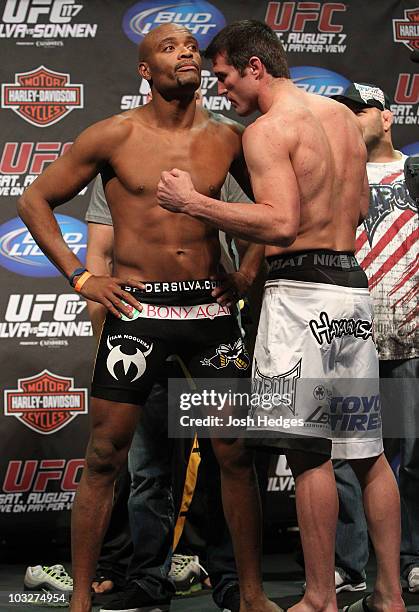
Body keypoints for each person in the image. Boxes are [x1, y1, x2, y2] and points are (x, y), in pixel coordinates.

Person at [156, 19, 405, 612]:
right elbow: (362, 204)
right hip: (351, 291)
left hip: (301, 296)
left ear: (254, 67)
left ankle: (319, 599)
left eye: (224, 77)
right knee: (367, 451)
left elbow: (281, 223)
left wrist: (194, 203)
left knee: (307, 452)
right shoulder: (343, 118)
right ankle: (390, 598)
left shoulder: (267, 130)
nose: (221, 91)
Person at [17, 23, 266, 612]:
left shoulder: (231, 137)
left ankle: (252, 594)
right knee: (106, 455)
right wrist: (81, 277)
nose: (184, 53)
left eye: (189, 46)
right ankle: (82, 598)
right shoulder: (114, 135)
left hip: (208, 309)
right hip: (138, 310)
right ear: (144, 71)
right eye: (167, 47)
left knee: (233, 452)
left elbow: (273, 208)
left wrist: (250, 270)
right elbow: (33, 200)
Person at [86, 171, 255, 612]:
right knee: (147, 471)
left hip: (208, 328)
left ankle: (231, 581)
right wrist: (102, 334)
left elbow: (260, 223)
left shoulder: (215, 156)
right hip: (141, 331)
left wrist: (245, 275)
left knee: (227, 460)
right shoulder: (119, 170)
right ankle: (148, 579)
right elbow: (99, 255)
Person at [331, 83, 419, 593]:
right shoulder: (334, 176)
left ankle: (410, 558)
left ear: (386, 118)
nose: (351, 119)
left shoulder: (416, 173)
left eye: (360, 111)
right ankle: (349, 567)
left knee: (415, 455)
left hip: (411, 337)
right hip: (348, 337)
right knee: (346, 456)